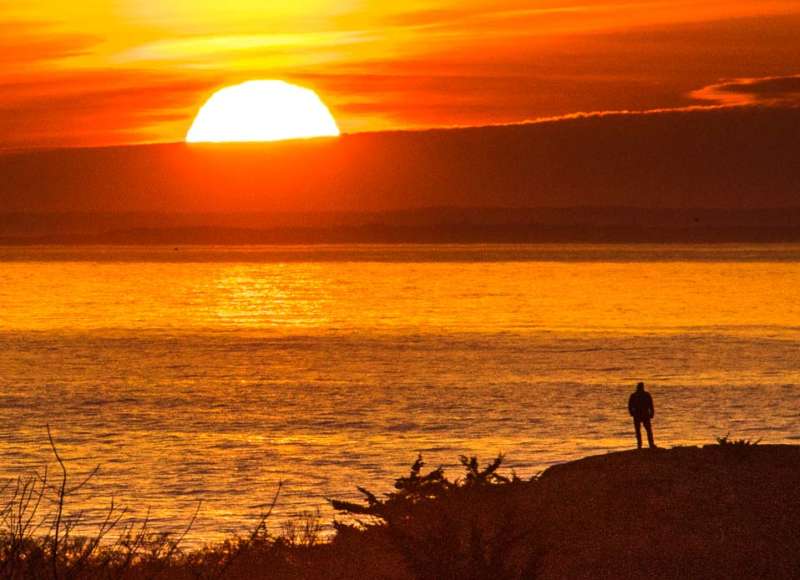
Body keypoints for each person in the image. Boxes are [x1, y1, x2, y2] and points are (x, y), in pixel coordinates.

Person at [628, 382, 655, 449]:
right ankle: (643, 445)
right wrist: (631, 413)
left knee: (644, 430)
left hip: (641, 414)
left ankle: (645, 445)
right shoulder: (636, 395)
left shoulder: (637, 395)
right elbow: (630, 406)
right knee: (644, 430)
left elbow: (651, 405)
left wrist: (652, 413)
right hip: (640, 414)